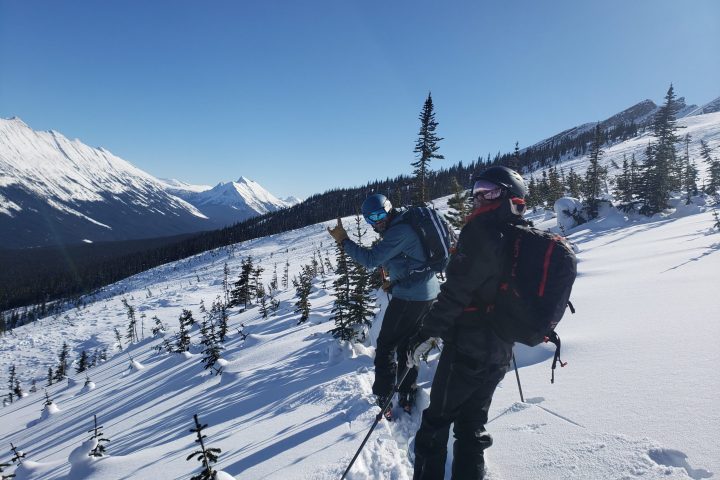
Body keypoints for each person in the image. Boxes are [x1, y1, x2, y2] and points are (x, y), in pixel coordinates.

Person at [409, 166, 529, 480]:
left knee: (436, 423)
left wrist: (426, 333)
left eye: (489, 191)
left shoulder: (481, 232)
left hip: (468, 349)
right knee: (472, 426)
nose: (479, 197)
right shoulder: (521, 233)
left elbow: (455, 293)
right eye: (476, 191)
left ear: (508, 195)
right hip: (501, 348)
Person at [327, 193, 439, 418]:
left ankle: (384, 394)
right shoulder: (402, 226)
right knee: (407, 344)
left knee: (386, 345)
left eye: (380, 214)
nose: (377, 221)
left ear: (389, 209)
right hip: (425, 293)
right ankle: (407, 391)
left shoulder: (399, 231)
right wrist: (395, 281)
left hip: (411, 298)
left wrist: (344, 241)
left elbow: (369, 260)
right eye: (371, 218)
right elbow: (409, 260)